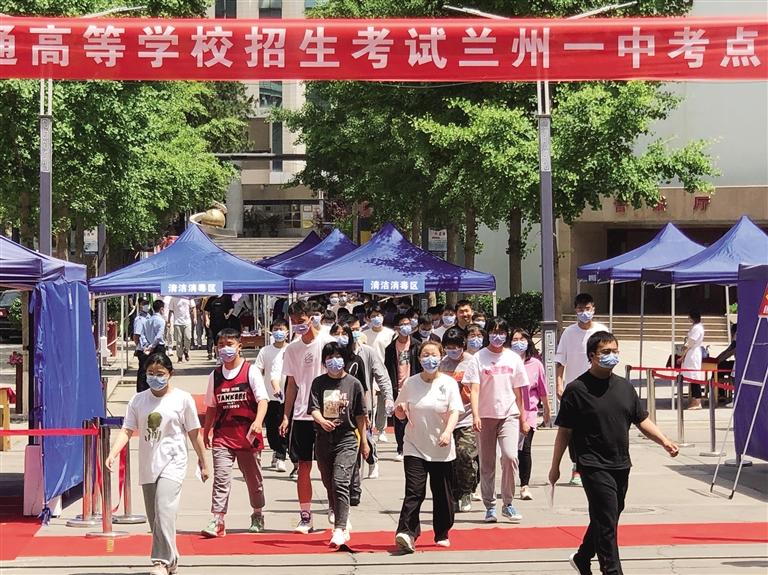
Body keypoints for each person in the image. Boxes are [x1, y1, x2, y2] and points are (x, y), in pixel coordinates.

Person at [549, 331, 679, 575]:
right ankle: (611, 570)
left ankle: (582, 556)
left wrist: (664, 440)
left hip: (620, 463)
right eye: (606, 352)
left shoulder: (625, 387)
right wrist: (555, 466)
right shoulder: (576, 390)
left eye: (615, 351)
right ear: (592, 356)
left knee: (607, 516)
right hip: (592, 464)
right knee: (607, 522)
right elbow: (564, 432)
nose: (612, 356)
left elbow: (641, 420)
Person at [106, 353, 209, 575]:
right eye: (150, 373)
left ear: (170, 374)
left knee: (164, 509)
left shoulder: (182, 399)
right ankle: (172, 557)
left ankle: (160, 561)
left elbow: (194, 433)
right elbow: (127, 430)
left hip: (174, 461)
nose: (155, 377)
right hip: (149, 464)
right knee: (156, 518)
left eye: (160, 373)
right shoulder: (138, 400)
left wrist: (204, 461)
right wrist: (113, 453)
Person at [393, 340, 464, 553]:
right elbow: (400, 412)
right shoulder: (411, 383)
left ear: (441, 357)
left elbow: (455, 411)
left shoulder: (449, 383)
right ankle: (407, 532)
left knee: (442, 493)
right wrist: (399, 410)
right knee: (414, 490)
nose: (429, 359)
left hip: (441, 446)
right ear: (419, 359)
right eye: (425, 355)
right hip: (414, 444)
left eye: (433, 354)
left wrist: (447, 432)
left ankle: (442, 531)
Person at [200, 329, 269, 537]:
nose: (225, 349)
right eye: (221, 345)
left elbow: (263, 400)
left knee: (254, 481)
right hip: (223, 437)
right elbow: (211, 406)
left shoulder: (250, 371)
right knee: (221, 479)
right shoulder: (215, 376)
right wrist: (207, 430)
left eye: (229, 344)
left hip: (247, 437)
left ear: (239, 346)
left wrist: (258, 421)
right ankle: (218, 519)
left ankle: (257, 513)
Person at [464, 317, 529, 523]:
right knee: (487, 463)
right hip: (485, 416)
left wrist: (523, 418)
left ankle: (508, 503)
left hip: (509, 414)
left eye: (501, 332)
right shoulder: (478, 358)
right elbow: (474, 389)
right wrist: (475, 415)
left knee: (510, 457)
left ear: (506, 335)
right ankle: (490, 506)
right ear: (488, 334)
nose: (497, 336)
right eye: (494, 332)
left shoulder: (513, 358)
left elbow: (519, 392)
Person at [279, 300, 336, 533]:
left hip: (327, 413)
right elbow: (291, 384)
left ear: (311, 318)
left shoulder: (328, 342)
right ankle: (305, 516)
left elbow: (337, 376)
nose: (298, 325)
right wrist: (286, 415)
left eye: (301, 321)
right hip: (302, 415)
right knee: (303, 465)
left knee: (327, 465)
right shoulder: (292, 349)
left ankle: (335, 507)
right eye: (293, 322)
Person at [308, 342, 370, 548]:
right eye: (329, 358)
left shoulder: (353, 384)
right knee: (328, 481)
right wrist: (321, 421)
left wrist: (364, 442)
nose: (334, 361)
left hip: (347, 438)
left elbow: (360, 415)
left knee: (340, 480)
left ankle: (339, 528)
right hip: (323, 439)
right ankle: (336, 509)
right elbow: (313, 408)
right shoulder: (319, 383)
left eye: (338, 356)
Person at [555, 293, 608, 486]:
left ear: (593, 309)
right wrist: (559, 383)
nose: (584, 312)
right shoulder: (569, 333)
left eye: (587, 309)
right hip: (575, 389)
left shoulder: (602, 331)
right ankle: (577, 466)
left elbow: (609, 358)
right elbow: (560, 361)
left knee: (597, 428)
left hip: (598, 388)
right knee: (574, 430)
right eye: (580, 309)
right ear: (575, 310)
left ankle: (596, 465)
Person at [345, 315, 393, 483]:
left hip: (364, 404)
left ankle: (372, 460)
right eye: (350, 330)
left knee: (365, 436)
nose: (354, 333)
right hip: (342, 405)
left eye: (356, 329)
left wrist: (388, 397)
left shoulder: (368, 352)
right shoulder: (337, 353)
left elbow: (382, 375)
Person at [510, 328, 552, 501]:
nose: (518, 343)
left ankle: (524, 485)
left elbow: (542, 389)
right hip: (509, 413)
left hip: (529, 413)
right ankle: (508, 483)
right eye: (515, 339)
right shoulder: (507, 362)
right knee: (509, 453)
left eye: (522, 339)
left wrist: (547, 410)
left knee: (524, 449)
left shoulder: (535, 364)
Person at [440, 327, 477, 512]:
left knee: (465, 454)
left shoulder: (472, 362)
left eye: (456, 346)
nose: (452, 350)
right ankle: (453, 493)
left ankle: (466, 491)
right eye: (448, 347)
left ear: (463, 345)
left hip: (466, 417)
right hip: (446, 419)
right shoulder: (442, 364)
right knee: (450, 460)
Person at [385, 314, 423, 461]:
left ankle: (416, 446)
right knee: (400, 419)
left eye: (408, 324)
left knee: (415, 417)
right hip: (398, 388)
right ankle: (401, 448)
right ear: (396, 328)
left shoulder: (417, 345)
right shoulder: (390, 348)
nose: (406, 327)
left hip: (415, 386)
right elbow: (388, 368)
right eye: (403, 324)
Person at [255, 319, 289, 472]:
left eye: (281, 329)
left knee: (284, 426)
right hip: (269, 396)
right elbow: (258, 371)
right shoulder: (265, 351)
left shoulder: (291, 350)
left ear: (287, 331)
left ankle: (281, 455)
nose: (278, 332)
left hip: (287, 395)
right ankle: (276, 449)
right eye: (276, 329)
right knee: (271, 428)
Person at [361, 303, 395, 442]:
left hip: (384, 370)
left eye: (379, 315)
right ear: (368, 318)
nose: (376, 318)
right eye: (373, 316)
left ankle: (382, 429)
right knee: (371, 402)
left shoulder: (390, 334)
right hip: (369, 371)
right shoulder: (364, 334)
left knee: (383, 401)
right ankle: (371, 427)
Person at [679, 309, 705, 410]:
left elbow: (690, 342)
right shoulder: (695, 327)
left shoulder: (697, 328)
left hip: (693, 353)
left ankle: (697, 401)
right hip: (691, 352)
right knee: (691, 377)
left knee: (694, 377)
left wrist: (682, 355)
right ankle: (694, 399)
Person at [169, 296, 195, 363]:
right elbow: (170, 311)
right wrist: (169, 321)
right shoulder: (173, 298)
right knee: (179, 341)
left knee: (188, 338)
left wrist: (195, 317)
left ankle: (186, 351)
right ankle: (179, 357)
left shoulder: (188, 296)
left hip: (187, 322)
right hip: (177, 322)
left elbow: (193, 307)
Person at [134, 298, 151, 392]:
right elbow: (136, 335)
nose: (146, 306)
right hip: (142, 349)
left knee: (148, 371)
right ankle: (140, 392)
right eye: (144, 304)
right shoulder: (139, 319)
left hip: (149, 348)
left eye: (147, 303)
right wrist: (139, 346)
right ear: (140, 305)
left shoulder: (149, 317)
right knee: (142, 372)